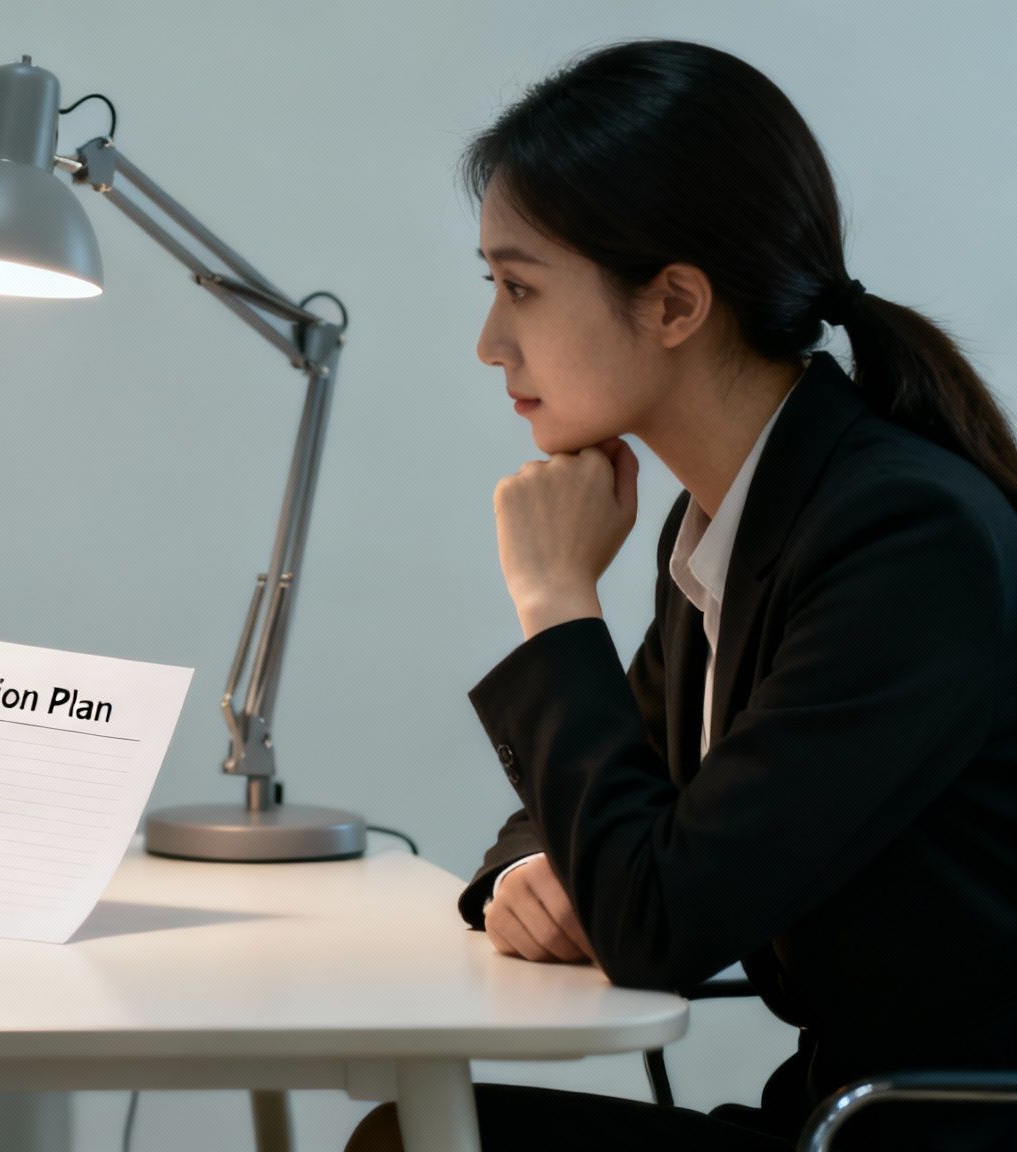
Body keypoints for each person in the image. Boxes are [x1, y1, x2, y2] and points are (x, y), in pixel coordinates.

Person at [346, 39, 1017, 1152]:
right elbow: (615, 796)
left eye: (518, 287)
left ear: (671, 303)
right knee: (414, 1133)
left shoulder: (902, 537)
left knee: (415, 1141)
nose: (487, 342)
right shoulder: (729, 518)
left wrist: (556, 594)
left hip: (920, 1132)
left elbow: (657, 919)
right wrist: (525, 869)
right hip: (840, 1120)